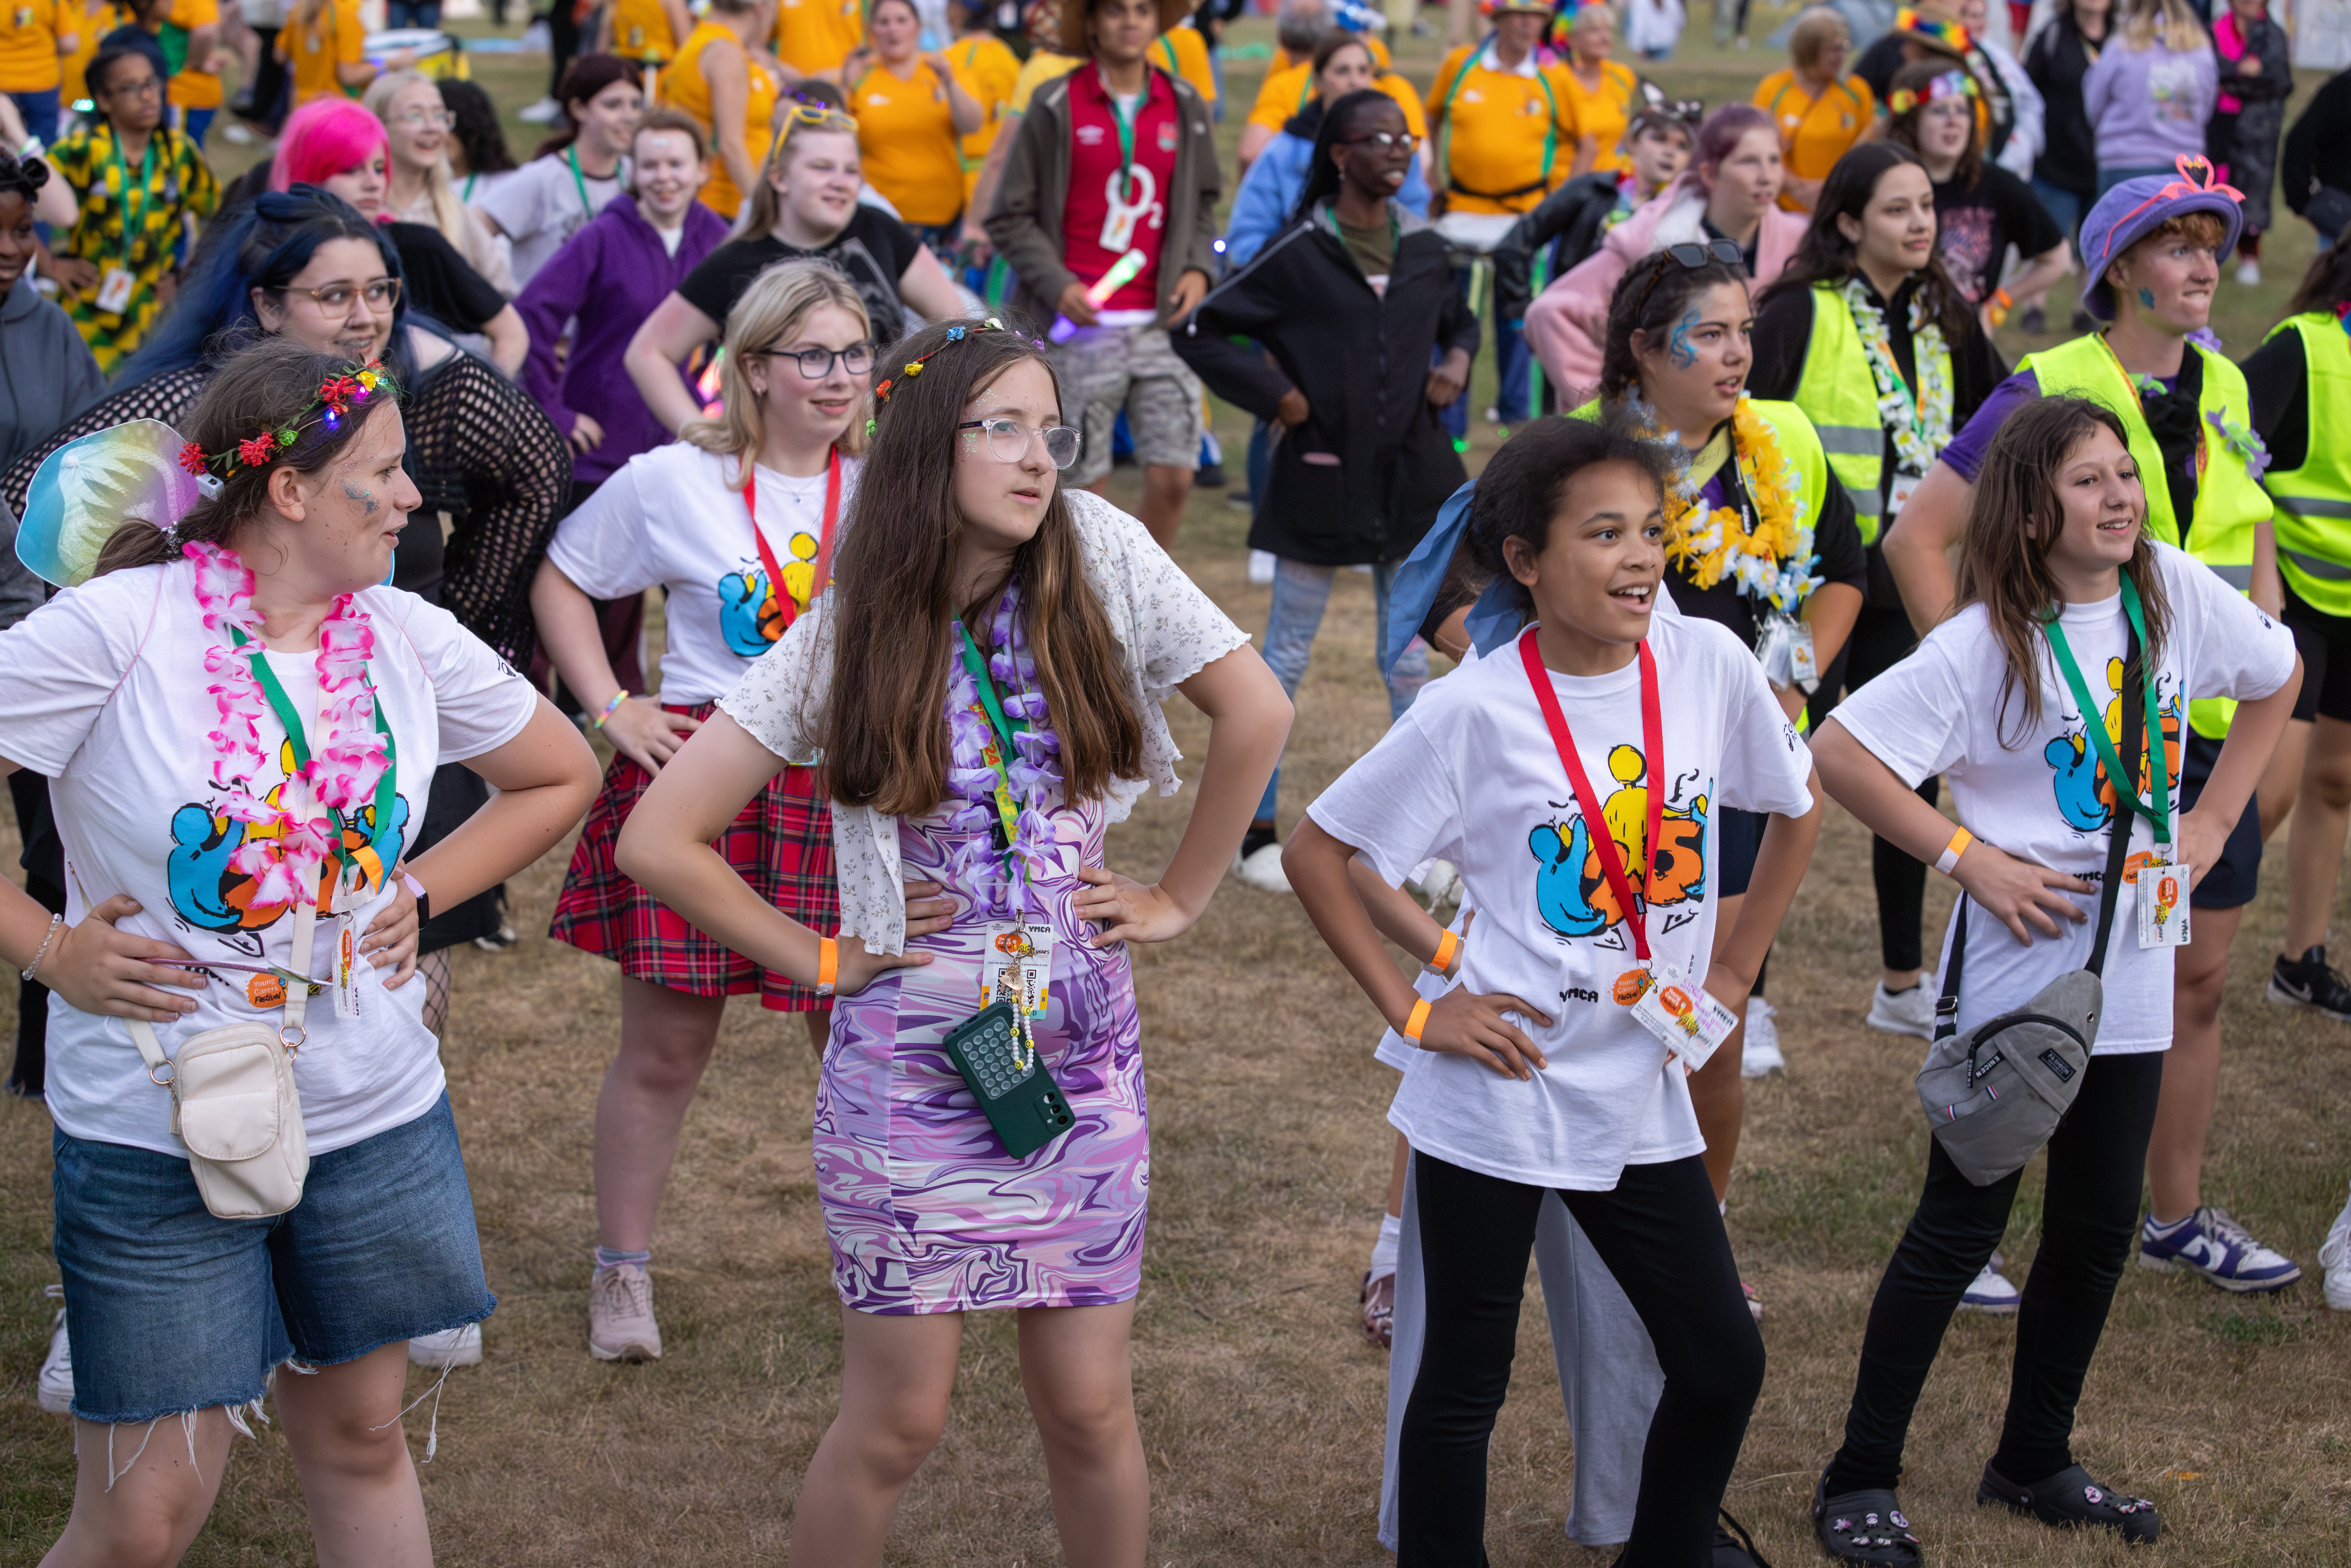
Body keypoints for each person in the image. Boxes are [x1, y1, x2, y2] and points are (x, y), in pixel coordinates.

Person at [618, 315, 1288, 1564]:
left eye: (1052, 432)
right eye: (1004, 429)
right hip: (910, 1070)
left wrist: (1181, 895)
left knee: (1089, 1405)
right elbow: (660, 837)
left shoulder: (1100, 550)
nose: (1039, 458)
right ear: (929, 443)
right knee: (898, 1420)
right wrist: (821, 957)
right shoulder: (856, 621)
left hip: (1079, 1058)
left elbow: (1257, 708)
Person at [0, 334, 602, 1567]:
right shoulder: (118, 628)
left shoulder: (403, 633)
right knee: (145, 1514)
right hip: (159, 1121)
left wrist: (421, 888)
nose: (414, 497)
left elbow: (559, 772)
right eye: (382, 473)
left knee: (362, 1437)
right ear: (287, 490)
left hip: (371, 1107)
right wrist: (48, 946)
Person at [1286, 410, 1818, 1567]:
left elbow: (1795, 803)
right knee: (1465, 1379)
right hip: (1503, 1083)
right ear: (1523, 559)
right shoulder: (1474, 707)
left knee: (1720, 1356)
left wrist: (1733, 970)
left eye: (1652, 530)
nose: (1640, 558)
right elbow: (1321, 853)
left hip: (1638, 1080)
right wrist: (1419, 1007)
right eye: (1603, 533)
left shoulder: (1706, 664)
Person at [1806, 393, 2298, 1562]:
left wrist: (2212, 817)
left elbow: (2276, 674)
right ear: (2029, 512)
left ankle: (2032, 1457)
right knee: (1957, 1224)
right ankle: (1858, 1472)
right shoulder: (1983, 643)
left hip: (2133, 968)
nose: (2120, 495)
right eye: (2088, 480)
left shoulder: (2169, 589)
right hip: (2017, 976)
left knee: (2092, 1228)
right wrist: (1965, 859)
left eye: (2124, 473)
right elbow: (1838, 752)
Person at [1882, 168, 2304, 1295]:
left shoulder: (2223, 382)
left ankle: (2173, 1215)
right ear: (2117, 269)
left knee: (2192, 983)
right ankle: (1971, 1222)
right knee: (2029, 983)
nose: (2205, 265)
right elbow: (1917, 537)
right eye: (2177, 245)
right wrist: (1986, 685)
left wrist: (2257, 636)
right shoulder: (2046, 385)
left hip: (2193, 736)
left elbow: (2247, 533)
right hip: (2076, 741)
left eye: (2212, 244)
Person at [534, 263, 867, 1361]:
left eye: (854, 354)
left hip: (845, 792)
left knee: (860, 1039)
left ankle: (891, 1252)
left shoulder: (893, 486)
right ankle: (621, 1270)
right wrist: (611, 704)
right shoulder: (672, 478)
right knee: (667, 1050)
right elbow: (563, 578)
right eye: (813, 356)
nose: (839, 377)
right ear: (755, 368)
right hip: (702, 792)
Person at [1748, 145, 2010, 1298]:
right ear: (1845, 221)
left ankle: (1901, 980)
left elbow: (1998, 426)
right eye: (1896, 208)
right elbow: (1747, 423)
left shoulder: (1950, 316)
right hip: (1810, 576)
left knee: (1915, 780)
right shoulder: (1797, 312)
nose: (1920, 224)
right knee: (1780, 772)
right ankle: (1748, 991)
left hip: (1909, 581)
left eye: (1928, 208)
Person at [1588, 243, 1862, 1181]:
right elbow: (1469, 597)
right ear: (1644, 349)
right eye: (1708, 335)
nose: (1739, 353)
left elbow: (1843, 572)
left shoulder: (1779, 440)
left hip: (1729, 777)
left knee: (1709, 1031)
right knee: (1584, 1012)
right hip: (1609, 777)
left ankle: (1700, 1231)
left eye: (1743, 331)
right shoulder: (1585, 454)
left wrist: (1788, 691)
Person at [1176, 88, 1475, 891]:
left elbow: (1460, 320)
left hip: (1408, 487)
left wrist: (1456, 361)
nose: (1399, 150)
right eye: (1379, 138)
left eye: (1406, 137)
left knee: (1408, 665)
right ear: (1340, 156)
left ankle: (1422, 843)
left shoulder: (1425, 246)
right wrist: (1278, 396)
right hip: (1319, 484)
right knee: (1283, 658)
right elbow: (1201, 329)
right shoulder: (1299, 250)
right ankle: (1255, 836)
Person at [985, 0, 1220, 548]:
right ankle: (1080, 588)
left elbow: (1204, 202)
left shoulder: (1184, 102)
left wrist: (1197, 267)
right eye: (1116, 10)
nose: (1131, 21)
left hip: (1161, 323)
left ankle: (1141, 582)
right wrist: (1056, 283)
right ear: (1091, 23)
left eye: (1142, 9)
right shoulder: (1055, 102)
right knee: (1079, 487)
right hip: (1079, 328)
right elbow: (1008, 215)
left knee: (1175, 475)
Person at [626, 103, 964, 432]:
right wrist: (702, 436)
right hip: (779, 456)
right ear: (780, 178)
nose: (840, 182)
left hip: (874, 447)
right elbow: (648, 353)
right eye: (822, 168)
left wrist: (925, 415)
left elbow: (960, 327)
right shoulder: (737, 262)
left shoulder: (879, 231)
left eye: (850, 170)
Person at [0, 142, 103, 1115]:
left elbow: (85, 465)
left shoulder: (53, 330)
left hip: (37, 617)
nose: (10, 249)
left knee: (53, 842)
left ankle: (42, 1044)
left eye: (23, 231)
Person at [1525, 102, 1802, 404]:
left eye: (1775, 160)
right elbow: (1550, 313)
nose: (1767, 176)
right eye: (1749, 162)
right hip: (1662, 428)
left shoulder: (1801, 245)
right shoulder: (1652, 240)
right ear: (1710, 172)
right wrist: (1607, 407)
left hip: (1764, 428)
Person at [2247, 244, 2351, 1031]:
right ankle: (2160, 937)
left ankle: (2300, 962)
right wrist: (2263, 573)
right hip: (2296, 599)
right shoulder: (2305, 346)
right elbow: (2229, 452)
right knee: (2266, 794)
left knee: (2337, 782)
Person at [521, 106, 725, 502]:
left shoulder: (718, 241)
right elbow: (531, 318)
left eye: (676, 164)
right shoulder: (602, 236)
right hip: (598, 455)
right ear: (632, 172)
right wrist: (555, 414)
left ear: (703, 170)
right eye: (649, 165)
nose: (663, 177)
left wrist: (706, 406)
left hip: (682, 452)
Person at [258, 95, 528, 374]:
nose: (374, 183)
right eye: (353, 170)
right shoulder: (269, 250)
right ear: (310, 171)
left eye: (379, 169)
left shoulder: (416, 246)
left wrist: (486, 395)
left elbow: (511, 332)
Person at [1425, 0, 1580, 438]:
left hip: (1524, 220)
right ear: (1498, 18)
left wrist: (1561, 200)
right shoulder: (1461, 66)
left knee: (1521, 322)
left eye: (1536, 16)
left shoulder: (1553, 77)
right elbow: (1431, 116)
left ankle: (1518, 419)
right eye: (1518, 14)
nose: (1527, 23)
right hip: (1461, 215)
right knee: (1458, 323)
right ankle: (1449, 426)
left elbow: (1583, 139)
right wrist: (1432, 176)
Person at [38, 40, 219, 372]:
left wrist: (187, 276)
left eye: (151, 83)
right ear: (104, 100)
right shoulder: (81, 151)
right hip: (86, 309)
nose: (148, 96)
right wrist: (49, 264)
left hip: (153, 311)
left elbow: (220, 216)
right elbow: (17, 202)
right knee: (81, 397)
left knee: (141, 399)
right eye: (131, 88)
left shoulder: (179, 152)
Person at [1490, 98, 1692, 371]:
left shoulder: (1685, 215)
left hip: (1646, 347)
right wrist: (1523, 314)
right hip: (1573, 335)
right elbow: (1513, 246)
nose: (1670, 152)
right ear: (1631, 143)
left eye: (1682, 146)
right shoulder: (1590, 191)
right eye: (1659, 139)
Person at [1883, 59, 2068, 328]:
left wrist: (1999, 302)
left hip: (1968, 339)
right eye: (1939, 111)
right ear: (1911, 121)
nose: (1953, 121)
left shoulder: (1997, 185)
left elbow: (2057, 259)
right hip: (1895, 334)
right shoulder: (1884, 183)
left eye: (1962, 110)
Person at [1225, 30, 1431, 265]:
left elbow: (1415, 221)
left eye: (1363, 71)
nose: (1355, 81)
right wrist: (1291, 273)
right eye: (1342, 71)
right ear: (1318, 80)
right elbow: (1248, 234)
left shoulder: (1396, 146)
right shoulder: (1285, 150)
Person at [479, 53, 641, 288]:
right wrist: (492, 299)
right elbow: (466, 234)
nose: (629, 117)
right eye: (613, 105)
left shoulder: (639, 177)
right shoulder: (542, 179)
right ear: (579, 109)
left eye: (636, 105)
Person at [844, 0, 985, 248]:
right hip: (878, 216)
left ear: (918, 27)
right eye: (884, 22)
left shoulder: (943, 68)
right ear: (872, 30)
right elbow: (828, 117)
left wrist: (950, 83)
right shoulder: (862, 75)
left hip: (944, 220)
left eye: (901, 21)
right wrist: (843, 86)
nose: (893, 30)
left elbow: (974, 124)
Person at [367, 68, 516, 297]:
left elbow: (502, 288)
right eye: (415, 116)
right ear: (379, 125)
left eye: (440, 116)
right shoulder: (362, 207)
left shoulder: (452, 211)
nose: (432, 128)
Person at [2022, 0, 2110, 330]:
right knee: (2050, 238)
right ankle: (2034, 308)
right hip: (2055, 160)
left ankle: (2083, 309)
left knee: (2094, 239)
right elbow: (2026, 89)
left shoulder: (2121, 40)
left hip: (2103, 159)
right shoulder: (2053, 35)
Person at [659, 0, 781, 222]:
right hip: (722, 206)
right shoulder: (724, 52)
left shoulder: (709, 39)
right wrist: (765, 215)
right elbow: (731, 147)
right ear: (760, 7)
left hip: (720, 203)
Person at [2082, 0, 2212, 199]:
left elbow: (2094, 105)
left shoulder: (2121, 46)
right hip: (2186, 168)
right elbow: (2206, 108)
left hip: (2124, 164)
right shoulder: (2201, 49)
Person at [1754, 6, 1878, 212]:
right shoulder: (1773, 89)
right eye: (1833, 49)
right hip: (1785, 210)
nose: (1841, 56)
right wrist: (1797, 188)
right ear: (1808, 50)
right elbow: (1759, 147)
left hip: (1842, 205)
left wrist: (1832, 187)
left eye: (1844, 47)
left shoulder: (1857, 90)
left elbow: (1869, 147)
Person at [2206, 0, 2287, 286]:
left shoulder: (2272, 34)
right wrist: (2243, 71)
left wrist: (2231, 78)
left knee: (2252, 190)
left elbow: (2277, 79)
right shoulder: (2215, 30)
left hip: (2258, 129)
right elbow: (2207, 69)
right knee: (2214, 185)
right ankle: (2209, 248)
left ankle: (2249, 257)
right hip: (2218, 123)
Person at [947, 3, 1019, 220]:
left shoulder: (954, 58)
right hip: (1008, 181)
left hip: (965, 187)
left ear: (959, 10)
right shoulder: (1009, 56)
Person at [1556, 2, 1640, 180]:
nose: (1605, 37)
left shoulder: (1622, 77)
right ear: (1573, 39)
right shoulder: (1556, 78)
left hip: (1610, 184)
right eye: (1595, 31)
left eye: (1609, 30)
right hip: (1563, 184)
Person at [274, 0, 405, 108]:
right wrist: (392, 62)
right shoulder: (345, 15)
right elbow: (348, 75)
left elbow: (280, 56)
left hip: (302, 106)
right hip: (335, 108)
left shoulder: (299, 10)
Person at [2283, 69, 2351, 252]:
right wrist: (2302, 199)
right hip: (2341, 213)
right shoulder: (2344, 89)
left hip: (2339, 207)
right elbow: (2301, 141)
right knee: (2336, 269)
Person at [0, 0, 76, 147]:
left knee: (7, 143)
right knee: (44, 141)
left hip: (3, 84)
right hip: (43, 81)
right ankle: (41, 160)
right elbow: (70, 44)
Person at [773, 0, 864, 78]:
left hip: (846, 88)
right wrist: (779, 69)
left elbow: (872, 53)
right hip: (789, 87)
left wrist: (839, 75)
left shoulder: (864, 3)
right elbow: (763, 46)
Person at [597, 0, 690, 75]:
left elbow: (687, 49)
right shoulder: (614, 3)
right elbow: (601, 54)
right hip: (624, 76)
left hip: (660, 77)